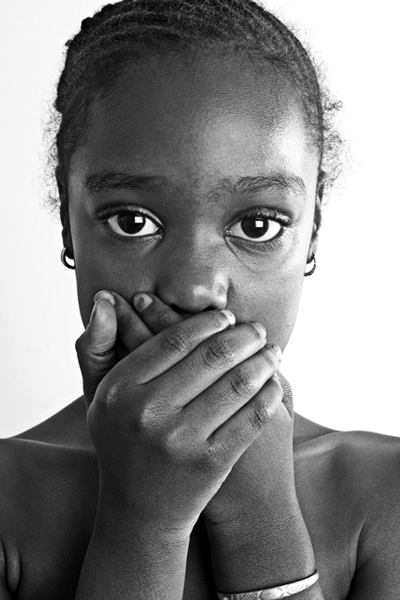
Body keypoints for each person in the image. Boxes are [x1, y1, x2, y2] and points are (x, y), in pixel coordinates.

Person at [1, 0, 399, 598]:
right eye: (133, 221)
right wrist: (143, 523)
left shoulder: (385, 496)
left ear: (312, 233)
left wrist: (262, 522)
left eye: (259, 225)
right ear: (68, 226)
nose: (194, 288)